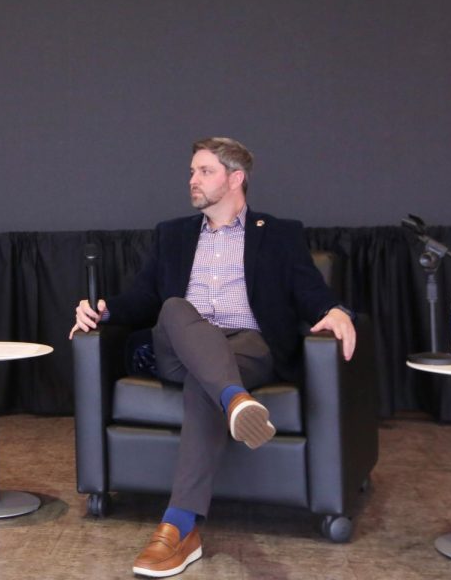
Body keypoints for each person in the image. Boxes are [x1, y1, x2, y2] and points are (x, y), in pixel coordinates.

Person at [69, 138, 356, 578]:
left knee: (207, 380)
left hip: (249, 345)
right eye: (191, 172)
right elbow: (143, 297)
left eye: (204, 171)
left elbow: (310, 292)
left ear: (235, 178)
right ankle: (237, 401)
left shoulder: (279, 234)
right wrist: (104, 311)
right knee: (173, 307)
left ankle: (177, 528)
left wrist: (335, 311)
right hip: (178, 345)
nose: (193, 181)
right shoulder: (173, 234)